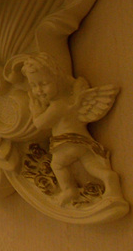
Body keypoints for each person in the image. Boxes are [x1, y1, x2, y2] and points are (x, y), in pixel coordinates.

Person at [21, 53, 122, 205]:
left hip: (66, 142)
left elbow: (41, 124)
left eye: (44, 83)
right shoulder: (70, 101)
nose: (39, 90)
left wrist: (35, 111)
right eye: (34, 86)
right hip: (82, 141)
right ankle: (109, 180)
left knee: (57, 165)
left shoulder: (57, 106)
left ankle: (69, 190)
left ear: (57, 80)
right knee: (91, 165)